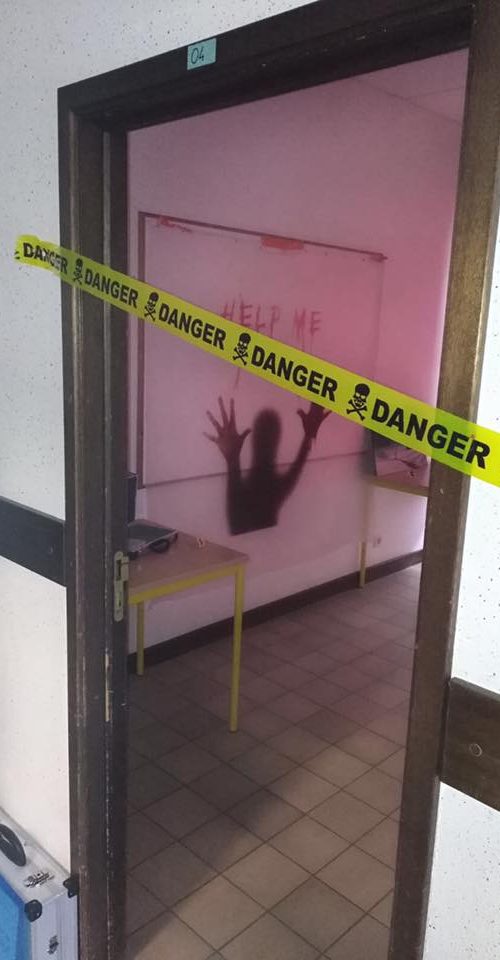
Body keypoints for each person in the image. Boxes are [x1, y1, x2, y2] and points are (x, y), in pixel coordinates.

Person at [204, 397, 329, 534]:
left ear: (254, 439)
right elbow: (300, 463)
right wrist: (309, 435)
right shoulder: (277, 489)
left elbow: (236, 522)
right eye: (268, 434)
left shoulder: (274, 489)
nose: (267, 441)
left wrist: (233, 460)